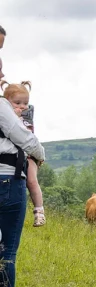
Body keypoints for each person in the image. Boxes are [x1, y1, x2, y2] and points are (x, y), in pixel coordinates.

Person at [0, 78, 45, 287]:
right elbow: (26, 140)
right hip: (8, 181)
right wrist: (41, 155)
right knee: (7, 253)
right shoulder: (5, 110)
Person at [1, 81, 46, 226]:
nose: (22, 106)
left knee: (32, 180)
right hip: (15, 162)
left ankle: (39, 211)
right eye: (17, 103)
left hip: (27, 156)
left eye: (25, 103)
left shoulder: (25, 117)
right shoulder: (8, 116)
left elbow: (30, 138)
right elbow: (23, 137)